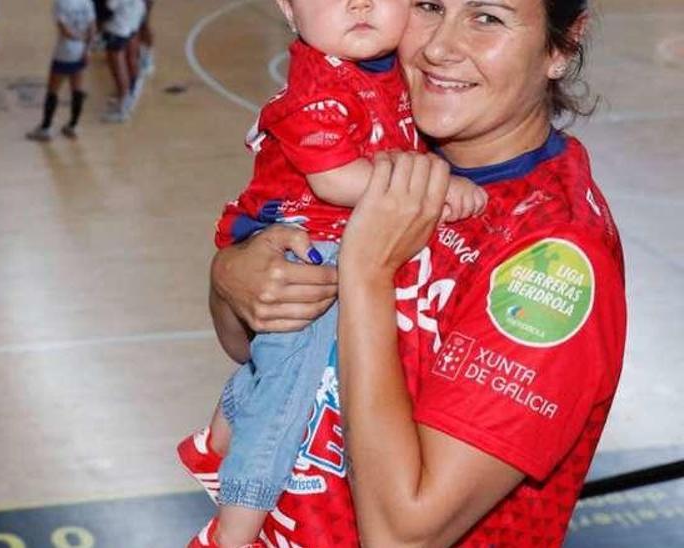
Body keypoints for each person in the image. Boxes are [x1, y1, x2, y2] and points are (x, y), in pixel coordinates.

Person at [196, 0, 626, 546]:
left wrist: (367, 272)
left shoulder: (554, 259)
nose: (439, 48)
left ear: (561, 47)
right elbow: (252, 342)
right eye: (427, 6)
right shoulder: (389, 144)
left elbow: (404, 535)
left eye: (487, 17)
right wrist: (231, 279)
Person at [181, 0, 488, 544]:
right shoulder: (318, 83)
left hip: (326, 239)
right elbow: (334, 181)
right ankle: (232, 528)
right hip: (306, 238)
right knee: (290, 398)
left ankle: (226, 425)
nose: (360, 3)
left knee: (293, 374)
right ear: (289, 9)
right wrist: (438, 188)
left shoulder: (399, 69)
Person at [26, 0, 95, 142]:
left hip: (64, 51)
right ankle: (73, 125)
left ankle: (46, 128)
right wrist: (87, 48)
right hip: (81, 50)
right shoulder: (87, 2)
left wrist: (77, 38)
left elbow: (64, 30)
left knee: (53, 89)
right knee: (77, 88)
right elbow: (92, 27)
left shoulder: (60, 3)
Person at [100, 0, 143, 123]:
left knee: (117, 64)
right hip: (134, 18)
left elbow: (110, 6)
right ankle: (129, 94)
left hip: (119, 25)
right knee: (131, 57)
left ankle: (122, 107)